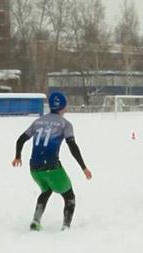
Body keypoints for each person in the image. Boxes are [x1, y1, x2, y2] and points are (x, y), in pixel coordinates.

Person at [12, 92, 92, 231]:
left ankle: (35, 221)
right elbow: (72, 146)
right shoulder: (65, 124)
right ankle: (66, 227)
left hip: (34, 168)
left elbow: (20, 139)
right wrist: (83, 167)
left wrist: (18, 156)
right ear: (63, 106)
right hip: (52, 167)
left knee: (46, 191)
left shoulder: (38, 121)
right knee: (69, 197)